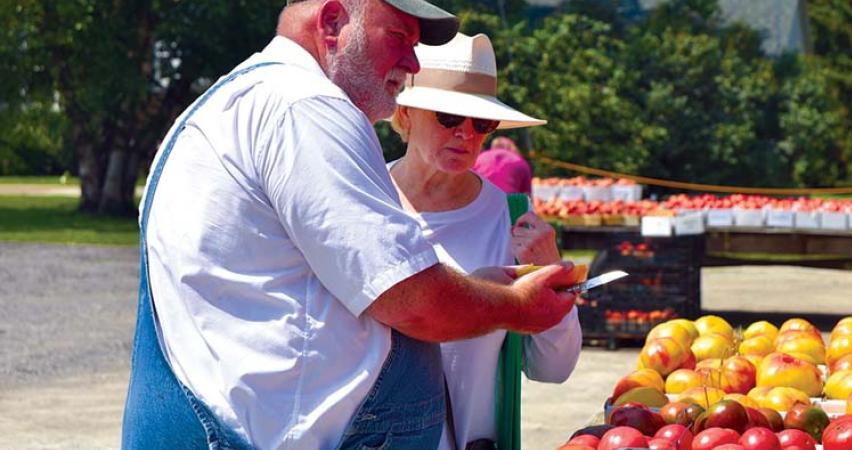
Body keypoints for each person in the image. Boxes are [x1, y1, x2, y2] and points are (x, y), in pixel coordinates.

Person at [121, 1, 578, 449]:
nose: (412, 61)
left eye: (482, 122)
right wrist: (515, 304)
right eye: (399, 36)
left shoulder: (229, 100)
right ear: (333, 21)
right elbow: (412, 302)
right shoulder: (307, 107)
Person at [386, 33, 581, 450]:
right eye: (448, 117)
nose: (466, 135)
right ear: (405, 113)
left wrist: (554, 276)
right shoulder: (362, 200)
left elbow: (553, 368)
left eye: (482, 123)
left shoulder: (511, 220)